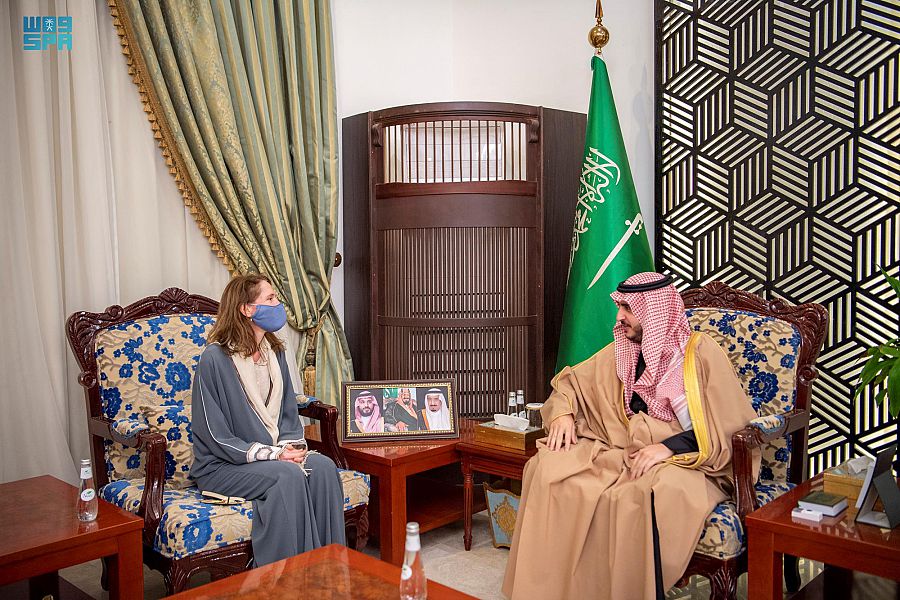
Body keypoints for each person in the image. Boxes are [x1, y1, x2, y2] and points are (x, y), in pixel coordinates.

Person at [502, 272, 758, 600]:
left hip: (693, 460)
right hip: (621, 447)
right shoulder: (623, 350)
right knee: (546, 466)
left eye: (628, 308)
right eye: (620, 307)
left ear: (654, 311)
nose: (619, 317)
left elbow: (726, 425)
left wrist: (667, 448)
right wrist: (563, 413)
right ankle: (553, 590)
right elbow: (571, 383)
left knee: (637, 494)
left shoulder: (698, 354)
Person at [190, 274, 346, 567]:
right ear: (247, 309)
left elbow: (287, 411)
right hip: (223, 465)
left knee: (323, 468)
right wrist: (275, 455)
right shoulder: (215, 359)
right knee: (287, 475)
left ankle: (328, 571)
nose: (278, 304)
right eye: (270, 298)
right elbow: (214, 435)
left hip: (273, 457)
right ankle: (289, 578)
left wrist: (288, 450)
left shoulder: (275, 353)